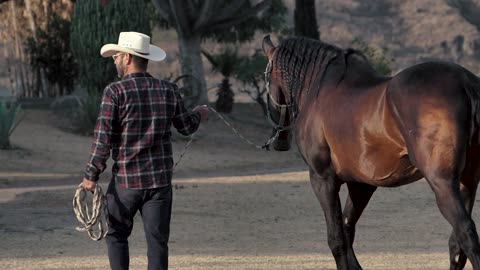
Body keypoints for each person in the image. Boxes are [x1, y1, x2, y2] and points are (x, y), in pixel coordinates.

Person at [80, 31, 209, 270]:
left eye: (117, 56)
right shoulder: (168, 90)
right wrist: (200, 114)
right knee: (157, 243)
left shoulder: (114, 92)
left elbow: (102, 140)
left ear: (128, 58)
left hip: (126, 184)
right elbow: (186, 126)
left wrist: (91, 176)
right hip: (159, 184)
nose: (114, 60)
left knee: (117, 235)